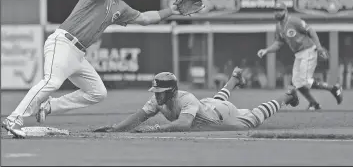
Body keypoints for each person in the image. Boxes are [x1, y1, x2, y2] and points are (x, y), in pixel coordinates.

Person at [2, 0, 184, 138]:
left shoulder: (119, 6)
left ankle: (48, 107)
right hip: (63, 42)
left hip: (78, 54)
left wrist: (171, 11)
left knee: (97, 92)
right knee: (52, 81)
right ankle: (14, 119)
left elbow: (145, 18)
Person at [92, 67, 299, 133]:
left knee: (254, 118)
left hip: (222, 117)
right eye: (155, 90)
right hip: (207, 106)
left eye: (160, 91)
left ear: (172, 92)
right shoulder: (158, 100)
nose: (156, 94)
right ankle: (234, 79)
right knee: (216, 99)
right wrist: (116, 129)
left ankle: (288, 95)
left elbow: (184, 124)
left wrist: (155, 129)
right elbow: (138, 117)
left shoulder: (186, 98)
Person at [257, 1, 343, 111]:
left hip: (308, 51)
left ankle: (334, 89)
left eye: (280, 10)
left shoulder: (293, 21)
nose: (277, 13)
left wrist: (319, 47)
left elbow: (310, 30)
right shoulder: (279, 27)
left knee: (304, 81)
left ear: (285, 11)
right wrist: (266, 50)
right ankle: (314, 104)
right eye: (276, 10)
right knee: (298, 83)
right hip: (298, 55)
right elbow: (278, 43)